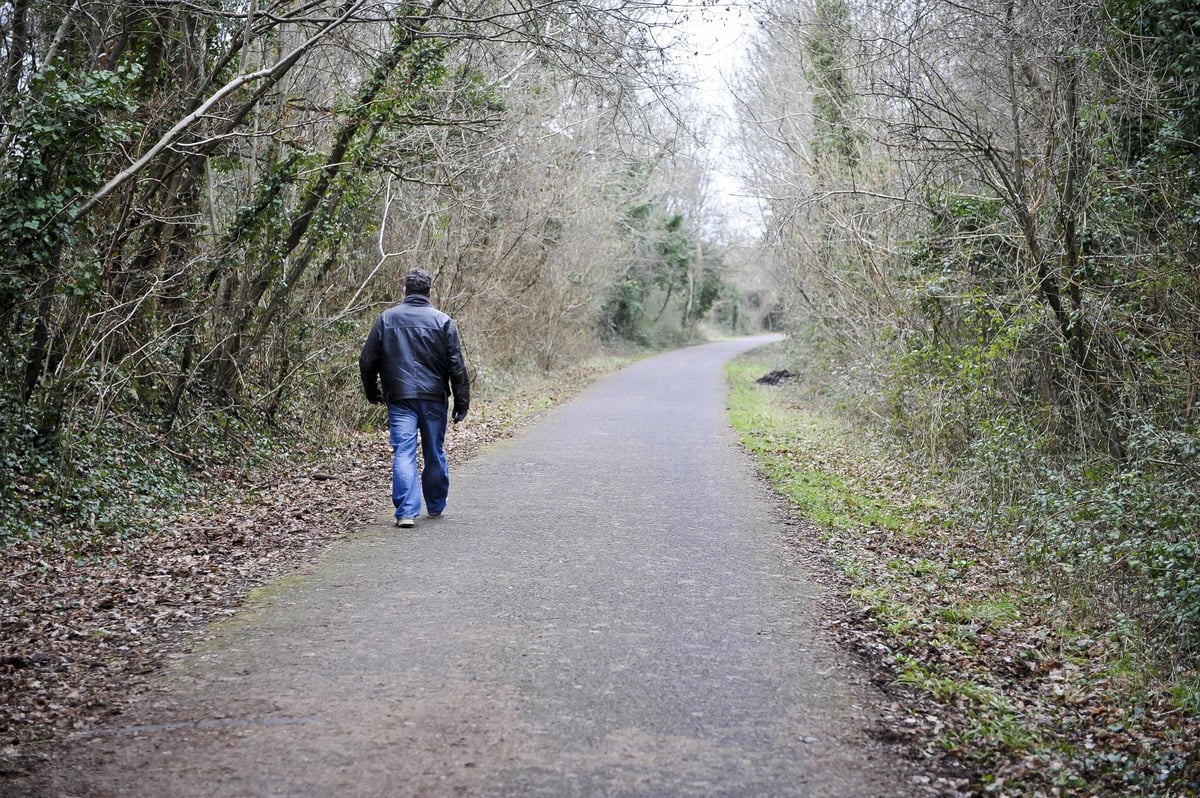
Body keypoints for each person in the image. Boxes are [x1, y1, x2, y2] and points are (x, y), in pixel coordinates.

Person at [359, 269, 470, 528]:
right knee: (434, 451)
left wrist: (371, 391)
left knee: (404, 452)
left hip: (400, 398)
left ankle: (406, 512)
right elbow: (457, 365)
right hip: (434, 398)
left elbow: (367, 361)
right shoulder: (443, 321)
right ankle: (434, 505)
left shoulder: (386, 320)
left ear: (405, 291)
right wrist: (462, 402)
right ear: (429, 292)